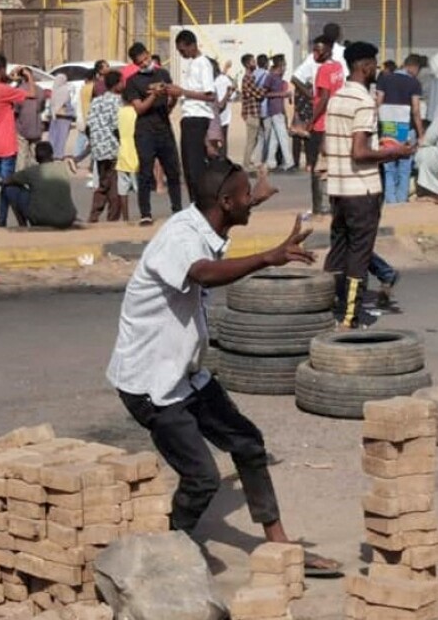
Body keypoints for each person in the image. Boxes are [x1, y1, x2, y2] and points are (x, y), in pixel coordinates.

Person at [106, 156, 342, 577]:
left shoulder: (208, 221)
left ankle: (280, 545)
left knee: (248, 442)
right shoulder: (178, 239)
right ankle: (163, 551)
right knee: (202, 480)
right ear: (226, 201)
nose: (251, 201)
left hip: (186, 374)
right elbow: (204, 273)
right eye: (246, 196)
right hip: (150, 384)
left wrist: (255, 201)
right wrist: (267, 258)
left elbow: (223, 222)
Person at [323, 41, 416, 329]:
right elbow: (360, 152)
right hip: (362, 191)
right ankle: (352, 316)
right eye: (374, 64)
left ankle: (334, 309)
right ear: (364, 66)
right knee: (359, 256)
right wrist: (395, 152)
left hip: (338, 189)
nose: (376, 69)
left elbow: (334, 146)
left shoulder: (337, 98)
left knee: (338, 253)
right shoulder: (364, 102)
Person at [124, 41, 183, 225]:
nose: (144, 63)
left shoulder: (163, 74)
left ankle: (177, 210)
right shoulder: (133, 82)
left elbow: (170, 104)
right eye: (140, 62)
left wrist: (173, 97)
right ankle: (145, 214)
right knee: (145, 173)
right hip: (145, 132)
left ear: (149, 55)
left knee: (173, 172)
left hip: (164, 129)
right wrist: (153, 95)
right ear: (135, 63)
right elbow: (139, 109)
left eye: (146, 59)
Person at [0, 53, 37, 228]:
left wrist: (9, 77)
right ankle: (1, 221)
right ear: (2, 69)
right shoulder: (4, 91)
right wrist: (28, 77)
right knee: (6, 185)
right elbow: (31, 93)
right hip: (7, 145)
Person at [173, 30, 217, 203]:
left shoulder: (203, 64)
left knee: (195, 166)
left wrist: (183, 92)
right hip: (189, 116)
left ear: (192, 45)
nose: (182, 54)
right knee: (189, 167)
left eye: (183, 50)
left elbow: (210, 95)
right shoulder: (192, 64)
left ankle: (201, 204)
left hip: (197, 117)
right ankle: (194, 202)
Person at [375, 55, 425, 204]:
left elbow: (378, 103)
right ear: (414, 67)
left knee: (389, 166)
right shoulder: (414, 82)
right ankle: (402, 201)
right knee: (404, 167)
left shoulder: (384, 79)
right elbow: (416, 110)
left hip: (388, 127)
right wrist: (421, 133)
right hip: (406, 128)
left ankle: (390, 200)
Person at [1, 141, 78, 228]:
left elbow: (8, 181)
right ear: (52, 155)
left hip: (42, 219)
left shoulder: (32, 171)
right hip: (68, 218)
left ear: (36, 157)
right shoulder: (62, 168)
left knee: (11, 189)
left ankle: (22, 225)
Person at [308, 35, 345, 215]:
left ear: (328, 49)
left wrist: (311, 121)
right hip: (336, 120)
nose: (315, 53)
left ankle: (319, 207)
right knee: (334, 165)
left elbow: (323, 98)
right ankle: (333, 204)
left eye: (318, 50)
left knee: (317, 167)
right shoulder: (338, 67)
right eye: (314, 49)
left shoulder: (323, 70)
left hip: (322, 123)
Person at [85, 71, 124, 222]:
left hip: (99, 149)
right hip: (113, 149)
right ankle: (112, 219)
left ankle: (93, 217)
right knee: (114, 187)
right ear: (117, 84)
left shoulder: (96, 101)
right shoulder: (117, 101)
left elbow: (89, 125)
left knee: (103, 184)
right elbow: (117, 126)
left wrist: (95, 143)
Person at [261, 56, 296, 172]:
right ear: (279, 65)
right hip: (274, 110)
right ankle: (289, 162)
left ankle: (270, 161)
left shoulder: (279, 78)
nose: (285, 68)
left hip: (279, 110)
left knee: (275, 138)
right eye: (284, 65)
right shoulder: (270, 77)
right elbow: (265, 94)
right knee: (283, 137)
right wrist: (282, 94)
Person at [15, 66, 46, 170]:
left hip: (22, 128)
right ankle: (36, 179)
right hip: (36, 128)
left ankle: (21, 179)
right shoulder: (40, 91)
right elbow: (42, 108)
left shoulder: (19, 91)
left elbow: (15, 110)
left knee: (22, 156)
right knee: (35, 157)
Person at [115, 87, 138, 222]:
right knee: (140, 188)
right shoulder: (137, 112)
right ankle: (144, 214)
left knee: (122, 190)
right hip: (136, 153)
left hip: (122, 153)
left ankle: (125, 217)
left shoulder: (119, 112)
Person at [240, 53, 266, 168]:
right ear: (247, 64)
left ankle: (249, 160)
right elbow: (257, 94)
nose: (255, 63)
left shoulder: (250, 77)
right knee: (251, 140)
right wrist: (265, 89)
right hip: (252, 113)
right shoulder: (248, 78)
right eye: (252, 61)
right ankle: (246, 163)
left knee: (255, 138)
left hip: (253, 112)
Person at [48, 73, 75, 161]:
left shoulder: (54, 90)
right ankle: (59, 155)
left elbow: (51, 105)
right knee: (62, 137)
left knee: (53, 136)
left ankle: (51, 153)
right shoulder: (65, 90)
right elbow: (67, 104)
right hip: (64, 117)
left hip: (54, 116)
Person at [213, 61, 234, 157]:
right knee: (223, 140)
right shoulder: (224, 79)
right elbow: (232, 95)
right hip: (224, 117)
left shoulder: (211, 82)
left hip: (213, 116)